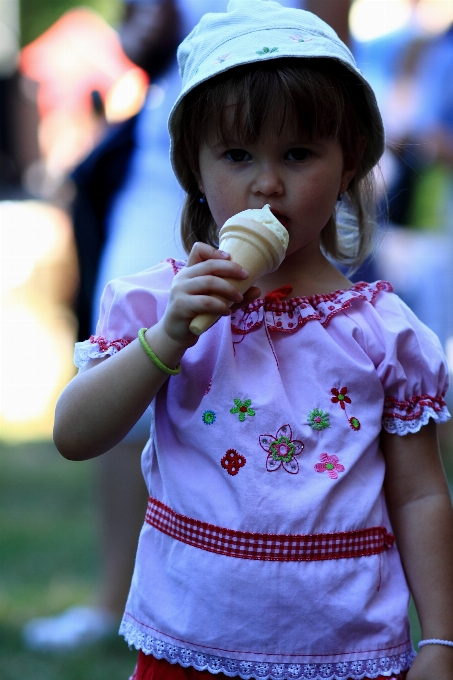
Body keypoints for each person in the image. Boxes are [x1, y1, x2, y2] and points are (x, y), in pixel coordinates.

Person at [54, 2, 453, 679]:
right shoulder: (159, 305)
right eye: (237, 155)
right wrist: (167, 338)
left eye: (297, 154)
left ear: (348, 160)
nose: (266, 182)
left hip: (347, 654)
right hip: (187, 644)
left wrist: (439, 640)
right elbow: (76, 434)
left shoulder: (383, 334)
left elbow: (418, 495)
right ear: (195, 171)